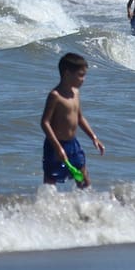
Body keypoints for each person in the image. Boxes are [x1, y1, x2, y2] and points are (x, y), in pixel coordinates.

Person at [41, 52, 104, 188]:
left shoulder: (76, 93)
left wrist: (93, 137)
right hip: (54, 146)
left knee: (84, 179)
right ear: (67, 73)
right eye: (81, 75)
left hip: (72, 144)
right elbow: (45, 123)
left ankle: (85, 206)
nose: (83, 79)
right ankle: (46, 206)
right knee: (50, 181)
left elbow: (80, 117)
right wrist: (58, 147)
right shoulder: (55, 96)